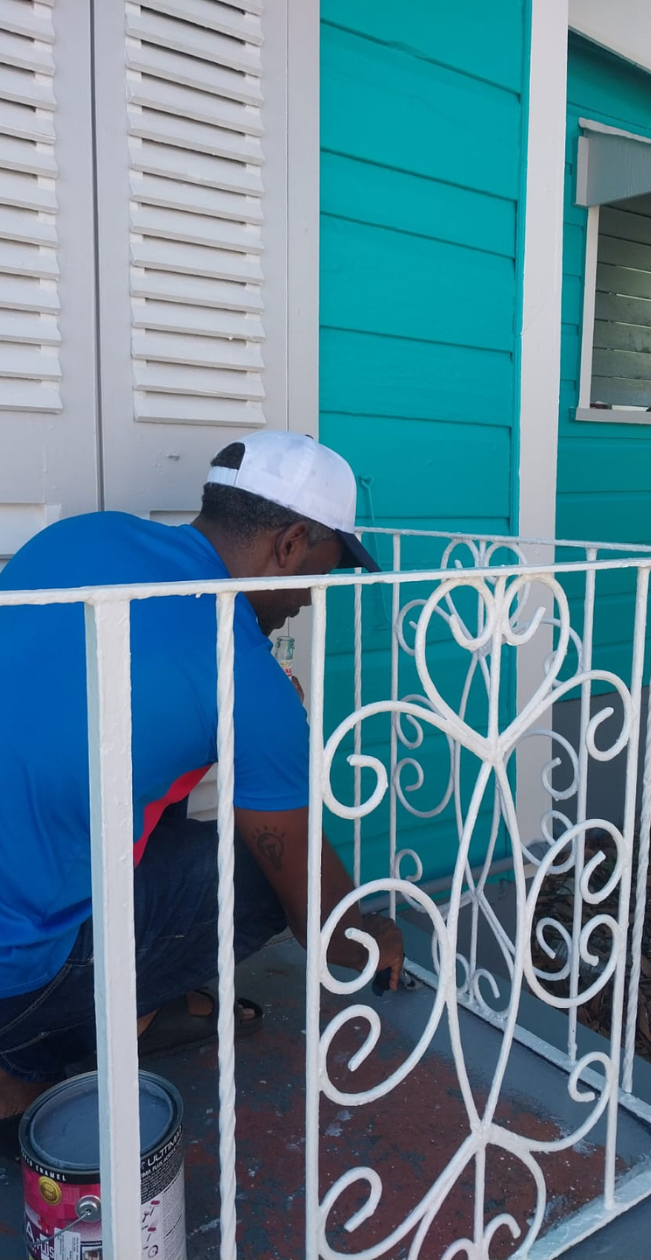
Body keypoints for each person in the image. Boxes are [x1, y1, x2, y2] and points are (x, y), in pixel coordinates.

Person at [0, 431, 405, 1143]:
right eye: (321, 571)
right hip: (15, 973)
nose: (313, 598)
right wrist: (371, 935)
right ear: (290, 543)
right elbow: (321, 925)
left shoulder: (81, 539)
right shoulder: (247, 680)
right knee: (255, 877)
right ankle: (45, 1047)